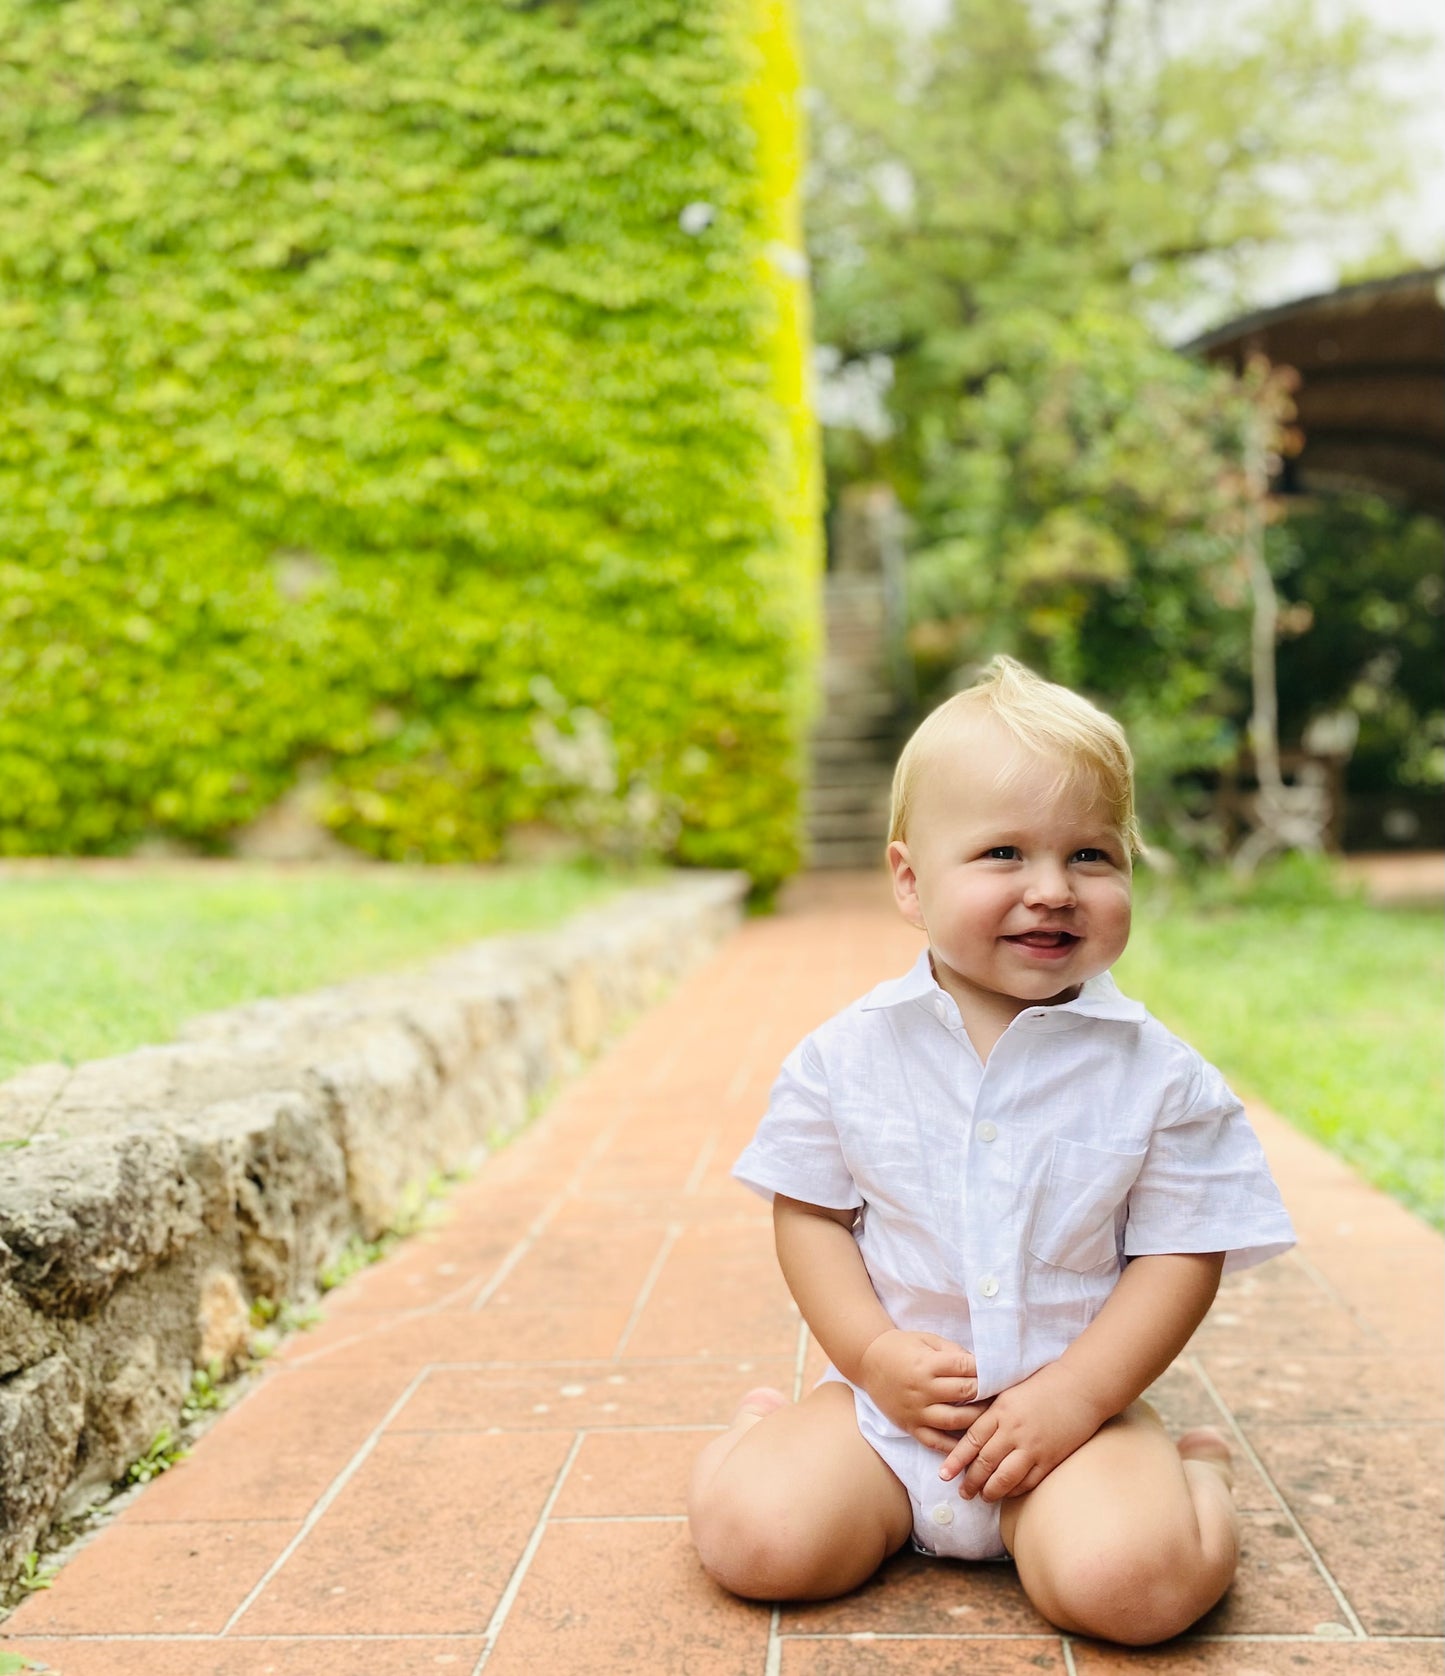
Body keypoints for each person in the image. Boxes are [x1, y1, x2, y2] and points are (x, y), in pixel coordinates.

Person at [687, 655, 1295, 1646]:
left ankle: (1195, 1478)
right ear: (909, 880)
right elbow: (807, 1212)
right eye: (1003, 853)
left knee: (1132, 1587)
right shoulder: (843, 1056)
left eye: (1091, 855)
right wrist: (871, 1354)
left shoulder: (1161, 1078)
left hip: (1074, 1422)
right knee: (758, 1540)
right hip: (890, 1420)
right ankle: (755, 1435)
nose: (1051, 889)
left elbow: (1184, 1251)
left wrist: (1075, 1394)